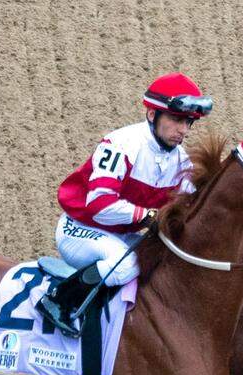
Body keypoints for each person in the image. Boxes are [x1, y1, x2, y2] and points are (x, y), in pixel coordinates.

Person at [54, 72, 212, 288]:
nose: (183, 130)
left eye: (188, 122)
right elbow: (99, 205)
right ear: (151, 114)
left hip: (118, 236)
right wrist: (146, 215)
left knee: (167, 260)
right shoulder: (121, 144)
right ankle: (61, 298)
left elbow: (192, 209)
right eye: (176, 120)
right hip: (79, 229)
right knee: (127, 265)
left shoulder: (182, 162)